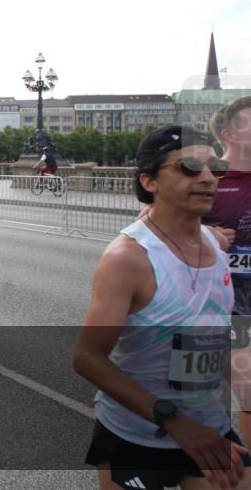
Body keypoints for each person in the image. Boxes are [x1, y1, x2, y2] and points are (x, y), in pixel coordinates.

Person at [73, 125, 248, 490]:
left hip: (208, 427)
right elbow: (88, 358)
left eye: (215, 167)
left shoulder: (216, 244)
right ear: (149, 181)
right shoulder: (127, 259)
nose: (207, 178)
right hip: (136, 434)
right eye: (189, 167)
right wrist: (176, 423)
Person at [206, 97, 251, 439]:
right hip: (220, 303)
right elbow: (151, 228)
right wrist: (205, 234)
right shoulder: (206, 179)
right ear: (229, 134)